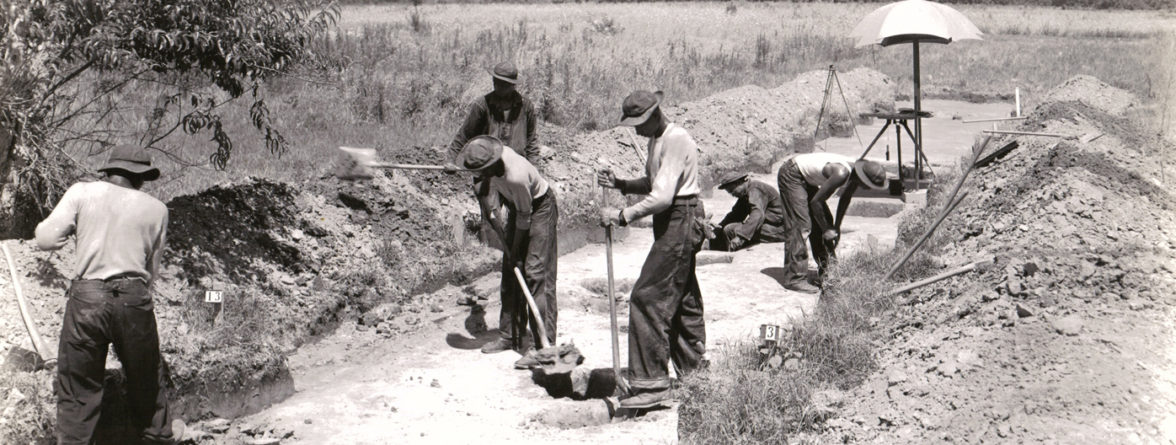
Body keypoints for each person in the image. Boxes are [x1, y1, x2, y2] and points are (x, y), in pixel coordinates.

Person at [34, 145, 184, 444]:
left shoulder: (82, 193)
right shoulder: (157, 209)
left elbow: (46, 239)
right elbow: (151, 271)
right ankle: (158, 436)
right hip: (133, 296)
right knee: (145, 379)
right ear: (141, 178)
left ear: (109, 171)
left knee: (78, 385)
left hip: (88, 297)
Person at [598, 90, 705, 409]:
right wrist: (620, 184)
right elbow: (652, 182)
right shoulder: (655, 140)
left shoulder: (676, 139)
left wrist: (622, 215)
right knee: (682, 297)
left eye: (638, 123)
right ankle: (694, 371)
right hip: (672, 220)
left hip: (680, 218)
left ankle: (653, 384)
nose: (636, 130)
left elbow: (662, 197)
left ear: (654, 115)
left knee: (648, 297)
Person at [456, 135, 558, 370]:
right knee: (510, 272)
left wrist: (514, 249)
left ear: (492, 164)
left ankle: (545, 347)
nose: (479, 175)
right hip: (517, 206)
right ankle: (510, 334)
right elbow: (485, 188)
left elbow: (525, 219)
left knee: (534, 273)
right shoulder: (491, 163)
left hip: (540, 207)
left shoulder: (516, 176)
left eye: (481, 171)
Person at [775, 152, 888, 293]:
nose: (868, 188)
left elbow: (845, 198)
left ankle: (828, 271)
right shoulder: (841, 173)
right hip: (792, 174)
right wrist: (827, 229)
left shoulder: (853, 175)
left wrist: (836, 227)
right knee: (801, 225)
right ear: (862, 178)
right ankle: (794, 279)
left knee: (825, 220)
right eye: (868, 184)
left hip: (806, 178)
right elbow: (816, 202)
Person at [445, 61, 541, 172]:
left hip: (517, 169)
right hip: (488, 169)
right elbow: (464, 134)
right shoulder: (482, 105)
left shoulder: (526, 106)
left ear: (512, 85)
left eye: (503, 84)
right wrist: (450, 160)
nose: (498, 86)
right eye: (496, 82)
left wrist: (534, 168)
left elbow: (531, 140)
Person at [709, 171, 788, 251]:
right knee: (727, 228)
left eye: (732, 191)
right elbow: (736, 214)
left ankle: (731, 254)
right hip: (772, 226)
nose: (732, 195)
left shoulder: (755, 190)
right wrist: (719, 228)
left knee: (731, 230)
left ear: (739, 183)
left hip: (781, 230)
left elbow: (757, 214)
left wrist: (741, 236)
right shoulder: (746, 193)